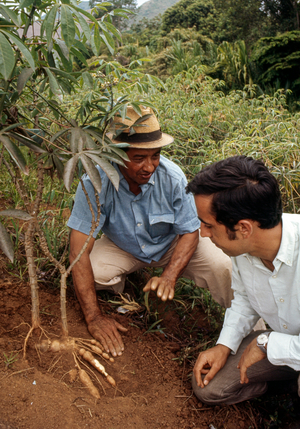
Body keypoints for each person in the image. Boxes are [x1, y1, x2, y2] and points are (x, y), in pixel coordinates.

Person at [67, 105, 232, 357]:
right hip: (123, 246)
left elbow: (190, 232)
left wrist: (170, 275)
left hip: (172, 244)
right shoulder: (94, 181)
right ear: (117, 155)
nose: (149, 166)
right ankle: (133, 282)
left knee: (224, 269)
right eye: (138, 158)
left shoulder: (173, 178)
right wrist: (94, 317)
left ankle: (254, 332)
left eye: (155, 156)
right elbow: (78, 251)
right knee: (94, 273)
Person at [186, 155, 300, 405]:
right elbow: (245, 298)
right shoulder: (243, 250)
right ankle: (283, 388)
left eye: (208, 225)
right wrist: (224, 345)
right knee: (209, 387)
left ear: (244, 229)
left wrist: (266, 343)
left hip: (281, 344)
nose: (203, 234)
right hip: (284, 343)